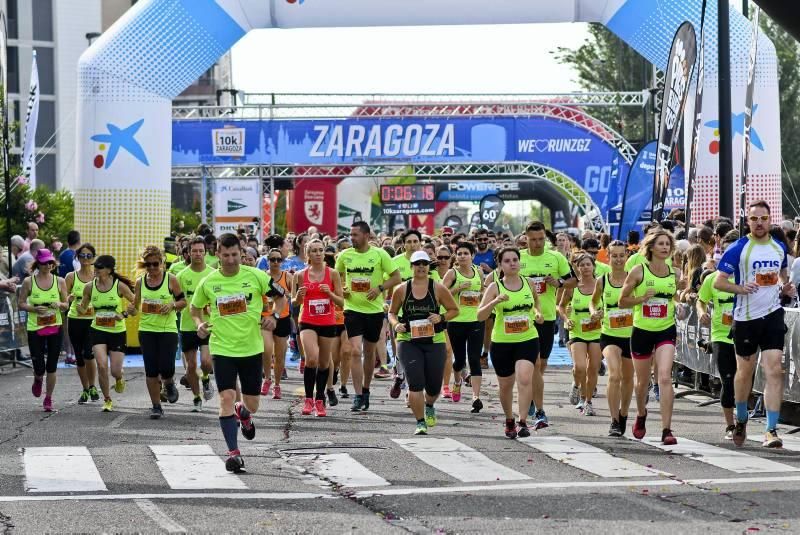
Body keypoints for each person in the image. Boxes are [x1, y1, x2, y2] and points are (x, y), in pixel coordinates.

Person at [191, 233, 287, 473]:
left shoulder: (256, 276)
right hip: (222, 348)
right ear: (218, 254)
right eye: (226, 255)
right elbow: (195, 308)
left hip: (251, 349)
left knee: (252, 404)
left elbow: (281, 298)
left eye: (235, 255)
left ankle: (245, 415)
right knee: (226, 398)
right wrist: (198, 324)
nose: (231, 260)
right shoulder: (209, 282)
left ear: (241, 253)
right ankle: (234, 454)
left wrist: (274, 316)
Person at [714, 200, 796, 448]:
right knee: (745, 373)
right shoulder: (739, 248)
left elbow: (782, 276)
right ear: (747, 222)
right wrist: (740, 288)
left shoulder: (779, 247)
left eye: (763, 218)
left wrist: (786, 287)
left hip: (772, 316)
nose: (759, 223)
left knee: (774, 371)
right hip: (746, 319)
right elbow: (719, 282)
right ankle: (740, 419)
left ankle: (771, 430)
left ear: (770, 220)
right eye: (754, 219)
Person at [619, 229, 680, 445]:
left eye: (667, 244)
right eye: (661, 244)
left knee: (664, 377)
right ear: (651, 247)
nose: (665, 247)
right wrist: (641, 299)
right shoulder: (638, 271)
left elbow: (674, 297)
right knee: (642, 382)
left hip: (666, 329)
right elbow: (621, 301)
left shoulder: (676, 273)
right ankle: (641, 413)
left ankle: (666, 429)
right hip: (642, 330)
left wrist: (679, 304)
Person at [388, 251, 459, 435]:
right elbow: (392, 312)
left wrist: (441, 316)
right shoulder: (402, 289)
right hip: (408, 340)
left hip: (434, 340)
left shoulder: (438, 288)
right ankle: (420, 422)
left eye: (424, 263)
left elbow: (454, 310)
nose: (421, 267)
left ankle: (429, 405)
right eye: (417, 263)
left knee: (434, 386)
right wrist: (396, 325)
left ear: (429, 267)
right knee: (415, 382)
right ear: (411, 266)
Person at [477, 247, 544, 438]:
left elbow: (536, 301)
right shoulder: (494, 287)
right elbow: (480, 315)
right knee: (505, 386)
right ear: (500, 265)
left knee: (524, 378)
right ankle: (509, 419)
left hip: (527, 338)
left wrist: (538, 313)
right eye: (507, 261)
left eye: (515, 259)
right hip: (502, 342)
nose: (512, 263)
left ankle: (523, 421)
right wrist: (495, 302)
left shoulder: (528, 283)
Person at [336, 222, 400, 412]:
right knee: (355, 351)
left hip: (374, 311)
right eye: (351, 234)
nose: (352, 238)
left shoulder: (380, 254)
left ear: (366, 236)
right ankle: (357, 395)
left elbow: (396, 277)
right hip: (352, 309)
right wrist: (343, 289)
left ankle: (365, 390)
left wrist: (380, 288)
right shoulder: (345, 255)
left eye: (355, 235)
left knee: (369, 353)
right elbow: (337, 276)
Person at [520, 221, 574, 429]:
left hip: (548, 317)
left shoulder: (556, 257)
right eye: (533, 239)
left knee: (541, 365)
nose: (537, 243)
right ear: (526, 238)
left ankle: (534, 395)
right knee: (532, 364)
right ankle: (534, 404)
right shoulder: (519, 258)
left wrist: (559, 283)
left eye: (541, 239)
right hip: (526, 318)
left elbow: (573, 281)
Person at [292, 239, 344, 417]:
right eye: (313, 251)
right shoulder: (299, 275)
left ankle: (320, 399)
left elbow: (342, 302)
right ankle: (308, 399)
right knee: (311, 359)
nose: (318, 253)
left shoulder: (333, 274)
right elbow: (294, 302)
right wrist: (299, 296)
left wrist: (329, 293)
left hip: (328, 322)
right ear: (307, 254)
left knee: (323, 363)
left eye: (320, 250)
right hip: (307, 320)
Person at [78, 255, 136, 413]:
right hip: (97, 330)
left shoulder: (120, 286)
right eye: (95, 266)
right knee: (102, 365)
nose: (95, 270)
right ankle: (107, 399)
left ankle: (118, 378)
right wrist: (76, 305)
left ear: (109, 270)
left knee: (115, 371)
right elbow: (83, 308)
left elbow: (135, 306)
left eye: (99, 267)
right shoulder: (89, 287)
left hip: (117, 331)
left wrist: (123, 314)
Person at [134, 245, 186, 418]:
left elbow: (183, 302)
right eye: (147, 264)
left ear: (162, 263)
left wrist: (172, 305)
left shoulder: (171, 280)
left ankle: (169, 382)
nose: (151, 268)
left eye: (155, 264)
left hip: (167, 330)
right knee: (151, 370)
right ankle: (156, 406)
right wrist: (129, 310)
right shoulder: (140, 282)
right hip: (147, 329)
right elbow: (135, 307)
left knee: (166, 367)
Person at [698, 230, 739, 440]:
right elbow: (701, 300)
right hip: (721, 336)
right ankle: (731, 425)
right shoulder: (713, 278)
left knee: (745, 381)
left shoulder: (747, 276)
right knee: (728, 380)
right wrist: (702, 312)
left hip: (744, 333)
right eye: (726, 251)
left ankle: (741, 418)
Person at [591, 240, 634, 436]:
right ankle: (614, 420)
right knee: (614, 375)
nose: (618, 259)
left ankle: (623, 413)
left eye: (621, 255)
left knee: (627, 379)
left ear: (627, 256)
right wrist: (595, 312)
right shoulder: (602, 280)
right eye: (614, 256)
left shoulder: (634, 279)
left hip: (632, 335)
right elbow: (593, 302)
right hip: (609, 334)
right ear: (607, 257)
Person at [18, 249, 69, 412]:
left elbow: (66, 304)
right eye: (44, 262)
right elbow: (20, 303)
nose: (47, 265)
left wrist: (59, 305)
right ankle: (38, 379)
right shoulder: (28, 282)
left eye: (50, 262)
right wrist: (33, 309)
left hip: (55, 326)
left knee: (52, 366)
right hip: (35, 328)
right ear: (38, 263)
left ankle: (48, 399)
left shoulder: (60, 281)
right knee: (39, 367)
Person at [442, 241, 485, 412]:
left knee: (474, 359)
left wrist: (481, 295)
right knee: (459, 360)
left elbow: (482, 291)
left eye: (466, 253)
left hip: (475, 321)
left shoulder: (479, 272)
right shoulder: (452, 273)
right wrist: (458, 288)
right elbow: (441, 293)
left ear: (472, 256)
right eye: (459, 253)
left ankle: (476, 397)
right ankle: (458, 381)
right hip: (456, 322)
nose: (462, 256)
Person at [559, 251, 602, 416]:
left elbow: (611, 304)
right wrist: (565, 318)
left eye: (588, 264)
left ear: (593, 266)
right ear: (577, 268)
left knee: (593, 369)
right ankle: (576, 385)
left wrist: (602, 313)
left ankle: (588, 401)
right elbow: (561, 306)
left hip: (597, 331)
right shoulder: (572, 287)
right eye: (581, 265)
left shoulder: (600, 284)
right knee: (580, 367)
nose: (585, 268)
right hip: (577, 330)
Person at [176, 237, 215, 409]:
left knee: (206, 362)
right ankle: (197, 398)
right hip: (187, 325)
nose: (198, 254)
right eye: (194, 251)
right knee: (190, 367)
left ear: (205, 252)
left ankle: (206, 378)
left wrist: (211, 309)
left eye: (201, 251)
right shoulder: (181, 275)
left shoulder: (213, 274)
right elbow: (178, 301)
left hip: (208, 325)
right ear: (188, 253)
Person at [65, 244, 99, 404]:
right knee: (79, 356)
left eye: (89, 256)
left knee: (89, 354)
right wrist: (68, 299)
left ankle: (93, 386)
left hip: (92, 321)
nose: (85, 259)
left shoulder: (97, 277)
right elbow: (63, 299)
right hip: (75, 319)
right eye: (82, 256)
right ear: (77, 257)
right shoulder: (71, 277)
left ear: (93, 258)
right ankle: (85, 389)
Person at [261, 248, 292, 399]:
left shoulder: (287, 277)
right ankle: (267, 379)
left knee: (279, 356)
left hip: (283, 318)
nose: (275, 262)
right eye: (272, 259)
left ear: (282, 261)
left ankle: (277, 385)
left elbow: (295, 297)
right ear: (267, 261)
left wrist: (286, 295)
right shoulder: (261, 277)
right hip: (265, 318)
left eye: (278, 260)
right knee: (266, 350)